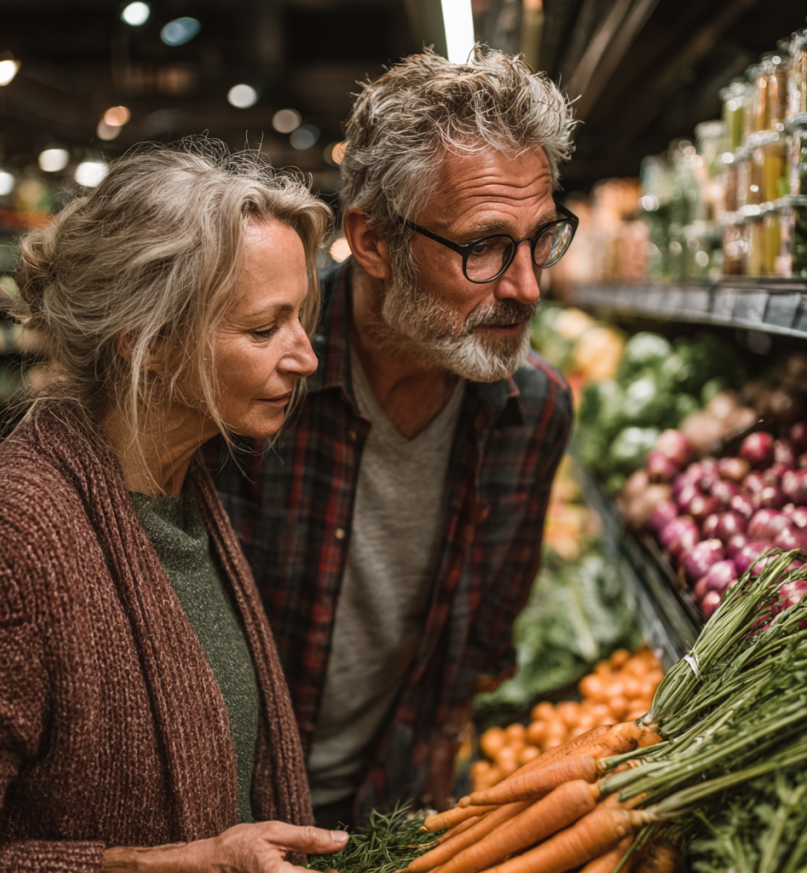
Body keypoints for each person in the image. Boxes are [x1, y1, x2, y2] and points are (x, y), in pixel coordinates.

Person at [208, 46, 576, 826]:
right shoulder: (253, 377)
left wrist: (441, 741)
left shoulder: (532, 410)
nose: (527, 286)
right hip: (223, 812)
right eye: (483, 246)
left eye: (542, 237)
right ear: (372, 242)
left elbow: (486, 627)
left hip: (390, 811)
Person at [0, 142, 350, 872]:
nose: (306, 357)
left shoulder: (189, 493)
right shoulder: (20, 534)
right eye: (264, 329)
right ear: (148, 345)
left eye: (300, 319)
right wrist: (178, 863)